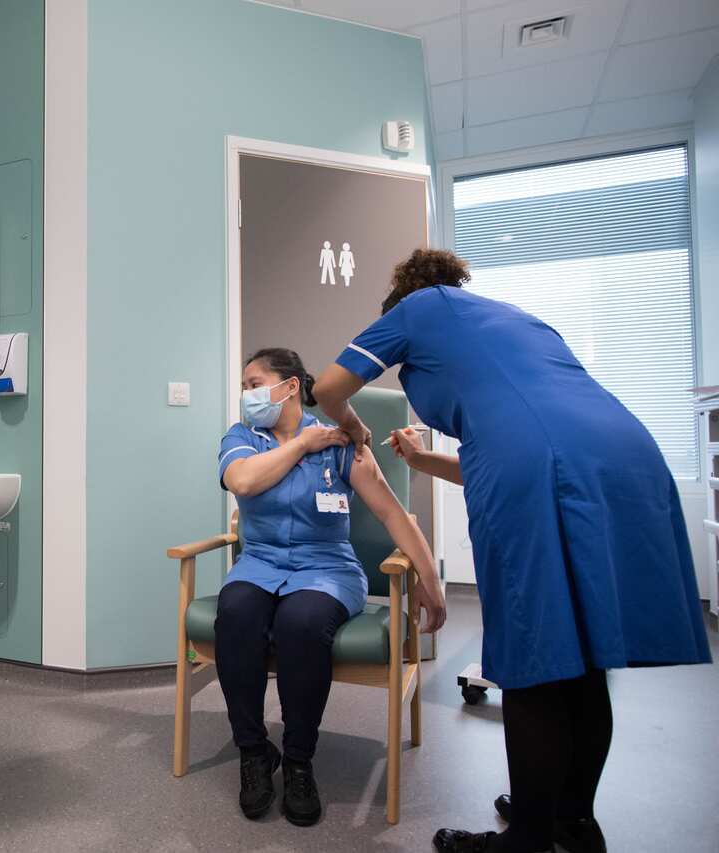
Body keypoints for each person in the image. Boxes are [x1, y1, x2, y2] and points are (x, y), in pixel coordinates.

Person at [314, 249, 712, 853]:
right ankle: (569, 819)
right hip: (624, 453)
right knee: (582, 659)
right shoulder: (517, 321)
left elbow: (327, 388)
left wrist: (354, 424)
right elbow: (522, 451)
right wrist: (422, 461)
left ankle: (526, 839)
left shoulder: (417, 308)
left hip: (538, 461)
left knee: (533, 657)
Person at [216, 347, 446, 827]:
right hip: (259, 564)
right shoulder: (243, 438)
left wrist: (430, 578)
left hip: (327, 570)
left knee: (302, 622)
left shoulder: (345, 444)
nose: (247, 395)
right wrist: (301, 446)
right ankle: (255, 753)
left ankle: (299, 759)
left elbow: (391, 513)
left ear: (291, 386)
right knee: (235, 613)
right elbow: (242, 481)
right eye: (243, 387)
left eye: (254, 382)